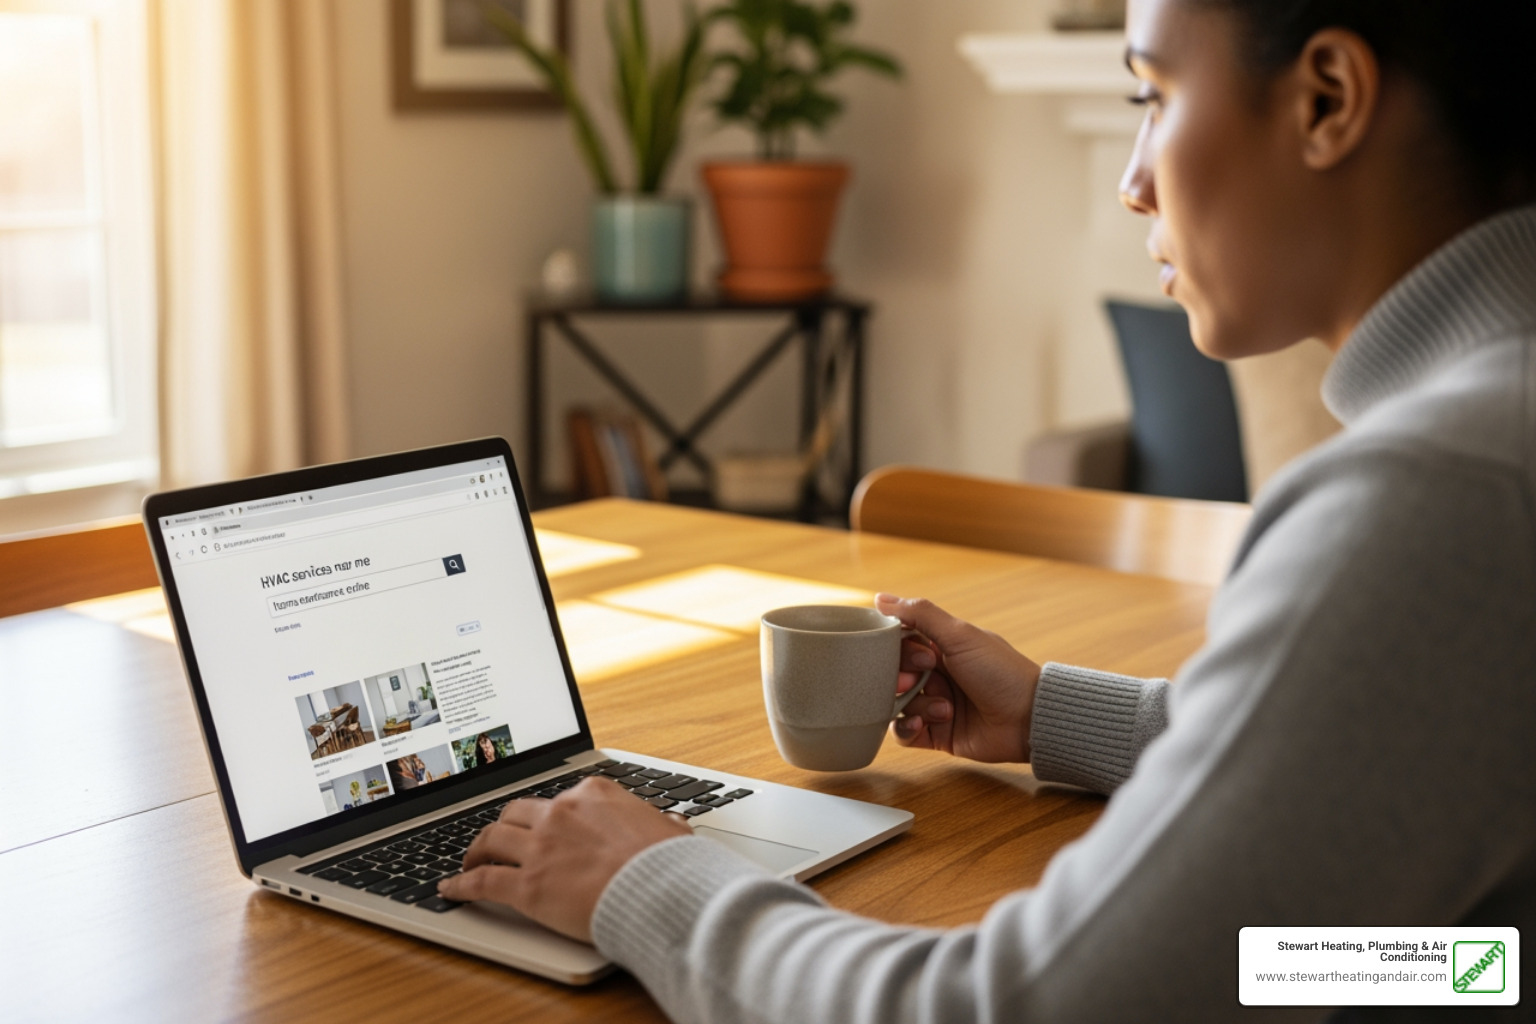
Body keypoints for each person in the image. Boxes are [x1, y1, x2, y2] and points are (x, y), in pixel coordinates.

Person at [438, 0, 1536, 1018]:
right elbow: (1465, 946)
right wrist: (1057, 713)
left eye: (1151, 96)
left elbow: (1010, 1006)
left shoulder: (1438, 495)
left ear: (1327, 99)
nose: (1134, 180)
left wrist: (650, 880)